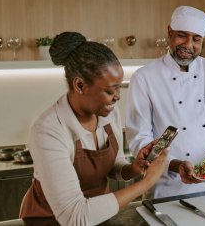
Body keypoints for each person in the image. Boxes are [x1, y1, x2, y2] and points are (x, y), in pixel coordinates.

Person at [19, 32, 169, 226]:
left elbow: (113, 166)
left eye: (118, 88)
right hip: (53, 221)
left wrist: (134, 168)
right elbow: (75, 217)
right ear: (80, 85)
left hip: (98, 217)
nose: (117, 97)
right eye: (110, 90)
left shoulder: (107, 113)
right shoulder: (48, 131)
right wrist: (147, 183)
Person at [126, 5, 205, 199]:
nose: (188, 45)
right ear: (169, 32)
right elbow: (141, 139)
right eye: (182, 35)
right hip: (165, 187)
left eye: (196, 39)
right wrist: (174, 165)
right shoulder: (144, 77)